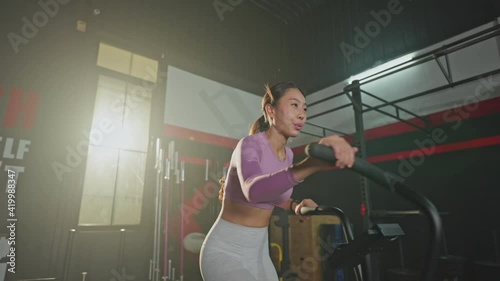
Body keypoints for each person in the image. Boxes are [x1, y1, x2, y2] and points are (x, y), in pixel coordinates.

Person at [200, 80, 358, 281]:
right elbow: (254, 191)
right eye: (294, 105)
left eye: (304, 108)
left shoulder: (289, 155)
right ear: (270, 110)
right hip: (226, 252)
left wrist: (295, 205)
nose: (302, 114)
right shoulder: (249, 145)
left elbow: (273, 194)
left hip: (258, 252)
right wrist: (312, 165)